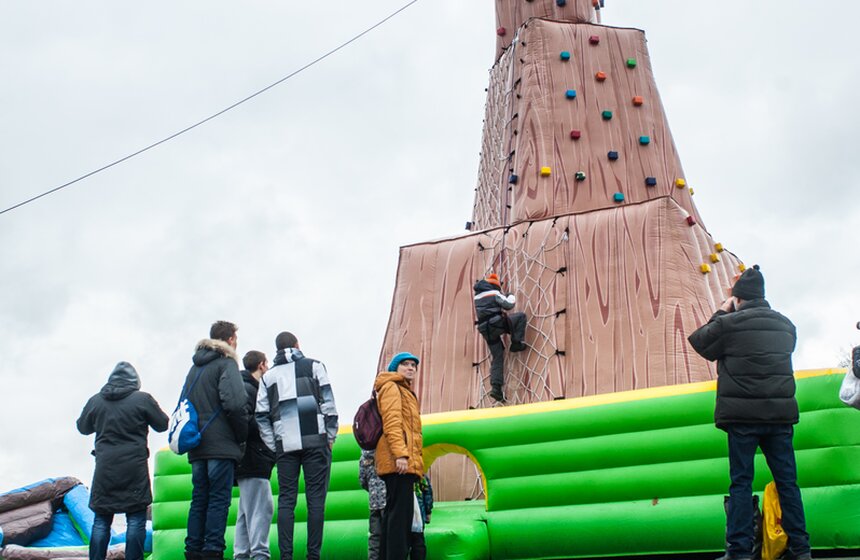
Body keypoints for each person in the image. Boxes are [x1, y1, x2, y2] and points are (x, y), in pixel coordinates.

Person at [688, 265, 812, 560]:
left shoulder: (730, 323)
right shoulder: (786, 325)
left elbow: (700, 341)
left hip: (742, 418)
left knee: (741, 482)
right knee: (787, 483)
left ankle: (740, 550)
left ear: (739, 298)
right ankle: (801, 549)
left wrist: (723, 310)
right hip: (780, 418)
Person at [256, 332, 338, 560]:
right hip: (316, 439)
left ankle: (286, 556)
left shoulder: (268, 377)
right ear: (297, 345)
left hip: (285, 444)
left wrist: (274, 444)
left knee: (286, 500)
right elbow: (329, 402)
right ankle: (313, 556)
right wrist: (330, 435)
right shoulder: (315, 366)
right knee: (315, 501)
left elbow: (261, 415)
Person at [76, 361, 168, 560]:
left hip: (105, 467)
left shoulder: (96, 401)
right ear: (136, 382)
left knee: (101, 520)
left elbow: (82, 427)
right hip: (134, 467)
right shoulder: (142, 399)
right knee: (135, 519)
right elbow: (162, 424)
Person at [182, 321, 249, 560]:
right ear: (230, 340)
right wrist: (242, 435)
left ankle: (192, 550)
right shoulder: (227, 363)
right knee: (219, 500)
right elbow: (235, 403)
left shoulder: (194, 368)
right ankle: (212, 551)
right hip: (221, 446)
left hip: (197, 444)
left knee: (199, 498)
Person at [375, 352, 424, 560]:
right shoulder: (392, 388)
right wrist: (401, 455)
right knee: (399, 522)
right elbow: (392, 423)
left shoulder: (404, 391)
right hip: (399, 463)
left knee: (393, 518)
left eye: (413, 365)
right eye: (405, 364)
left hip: (403, 462)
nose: (411, 367)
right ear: (395, 367)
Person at [233, 351, 276, 560]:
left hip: (246, 460)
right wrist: (267, 424)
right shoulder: (252, 390)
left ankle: (242, 554)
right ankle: (259, 554)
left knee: (245, 513)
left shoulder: (243, 387)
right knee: (262, 510)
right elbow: (247, 422)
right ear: (262, 365)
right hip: (254, 458)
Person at [473, 273, 527, 402]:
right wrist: (510, 295)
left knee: (497, 355)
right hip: (496, 324)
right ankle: (516, 343)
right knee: (520, 317)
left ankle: (496, 388)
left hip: (485, 330)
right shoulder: (494, 293)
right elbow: (509, 305)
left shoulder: (477, 297)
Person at [358, 449, 386, 560]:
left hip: (374, 502)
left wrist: (372, 490)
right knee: (391, 535)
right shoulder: (384, 451)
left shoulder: (364, 457)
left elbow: (362, 480)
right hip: (388, 501)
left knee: (374, 536)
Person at [408, 475, 433, 560]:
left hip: (404, 514)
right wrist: (428, 511)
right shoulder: (420, 474)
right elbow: (427, 492)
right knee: (418, 542)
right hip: (418, 513)